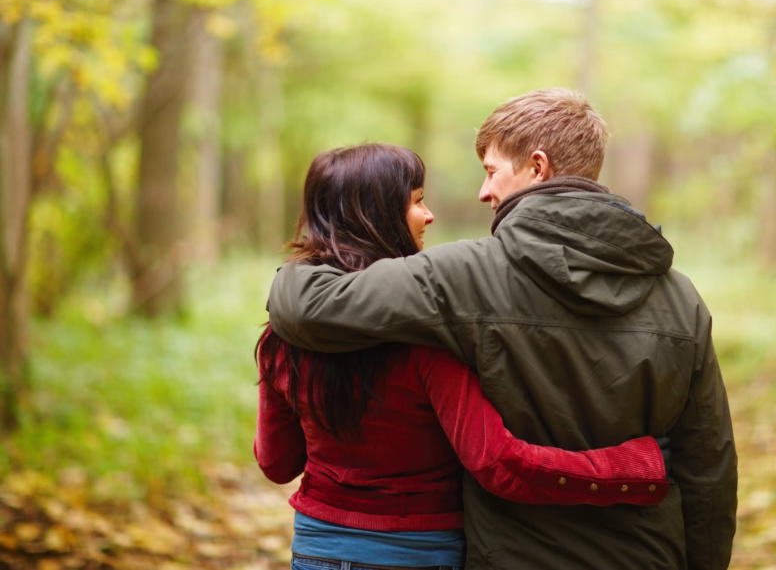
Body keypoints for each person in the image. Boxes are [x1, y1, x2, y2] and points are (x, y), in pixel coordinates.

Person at [266, 91, 738, 570]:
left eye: (491, 171)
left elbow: (308, 308)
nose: (483, 192)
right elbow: (708, 467)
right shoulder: (681, 299)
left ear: (537, 167)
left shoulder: (463, 275)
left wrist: (299, 263)